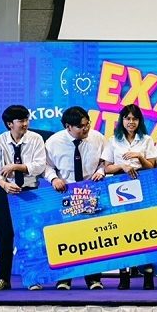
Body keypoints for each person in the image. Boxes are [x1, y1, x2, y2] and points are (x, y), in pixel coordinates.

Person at [44, 106, 107, 290]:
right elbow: (45, 166)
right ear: (68, 127)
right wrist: (53, 178)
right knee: (66, 237)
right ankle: (64, 279)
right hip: (66, 192)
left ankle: (94, 279)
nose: (86, 129)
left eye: (87, 124)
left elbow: (106, 160)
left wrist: (101, 171)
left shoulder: (98, 138)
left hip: (92, 190)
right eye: (81, 126)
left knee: (94, 237)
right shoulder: (54, 142)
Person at [0, 105, 47, 291]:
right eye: (21, 121)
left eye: (27, 119)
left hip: (30, 193)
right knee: (5, 236)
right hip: (6, 193)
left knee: (32, 238)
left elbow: (39, 166)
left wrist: (15, 167)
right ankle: (3, 279)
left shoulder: (36, 139)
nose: (25, 124)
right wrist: (4, 184)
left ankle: (33, 280)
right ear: (9, 124)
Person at [101, 104, 157, 290]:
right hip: (120, 188)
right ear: (122, 120)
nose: (131, 122)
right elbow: (106, 168)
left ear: (139, 121)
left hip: (144, 186)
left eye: (134, 118)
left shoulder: (147, 140)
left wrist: (139, 157)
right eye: (127, 118)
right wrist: (122, 166)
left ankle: (148, 275)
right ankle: (124, 275)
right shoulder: (113, 140)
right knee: (123, 230)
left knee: (145, 230)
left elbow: (152, 167)